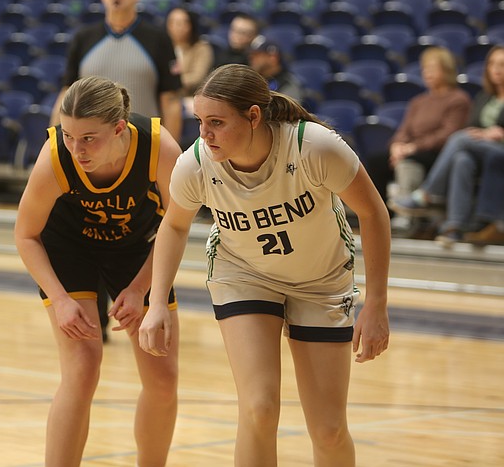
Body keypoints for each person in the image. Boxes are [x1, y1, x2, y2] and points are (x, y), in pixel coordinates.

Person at [139, 64, 391, 466]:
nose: (205, 134)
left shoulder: (315, 147)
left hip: (321, 280)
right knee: (259, 407)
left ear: (253, 116)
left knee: (328, 430)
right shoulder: (197, 164)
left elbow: (374, 214)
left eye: (217, 123)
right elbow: (174, 225)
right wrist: (155, 305)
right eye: (201, 121)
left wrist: (376, 303)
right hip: (244, 276)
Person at [14, 76, 182, 467]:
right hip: (67, 248)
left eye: (89, 138)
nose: (76, 148)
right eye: (69, 135)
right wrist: (60, 301)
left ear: (119, 128)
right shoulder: (55, 156)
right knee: (82, 368)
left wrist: (142, 289)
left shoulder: (159, 148)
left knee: (163, 379)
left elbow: (176, 227)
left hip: (137, 249)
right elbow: (25, 235)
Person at [53, 0, 183, 143]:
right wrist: (54, 144)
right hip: (90, 146)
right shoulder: (83, 38)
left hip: (144, 145)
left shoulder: (159, 39)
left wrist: (172, 152)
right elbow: (66, 94)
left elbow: (170, 101)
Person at [392, 45, 504, 247]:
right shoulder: (484, 97)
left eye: (502, 64)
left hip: (500, 149)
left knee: (459, 139)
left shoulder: (459, 98)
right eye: (492, 64)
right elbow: (473, 127)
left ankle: (425, 194)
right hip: (482, 151)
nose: (496, 69)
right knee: (462, 159)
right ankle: (455, 228)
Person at [364, 46, 471, 233]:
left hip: (438, 154)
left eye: (432, 68)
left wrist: (413, 148)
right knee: (375, 162)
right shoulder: (419, 101)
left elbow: (448, 134)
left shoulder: (458, 99)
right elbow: (404, 130)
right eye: (424, 68)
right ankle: (379, 217)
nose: (426, 73)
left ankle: (406, 219)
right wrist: (397, 146)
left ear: (446, 70)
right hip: (411, 150)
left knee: (408, 161)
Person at [165, 6, 214, 117]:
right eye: (172, 22)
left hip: (191, 97)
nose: (176, 27)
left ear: (190, 25)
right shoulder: (162, 48)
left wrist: (172, 83)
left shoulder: (201, 48)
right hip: (167, 97)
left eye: (181, 23)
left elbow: (197, 77)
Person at [247, 35, 305, 101]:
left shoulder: (288, 83)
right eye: (251, 54)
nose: (251, 58)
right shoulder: (254, 81)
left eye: (257, 54)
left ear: (273, 58)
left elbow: (290, 109)